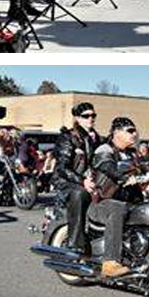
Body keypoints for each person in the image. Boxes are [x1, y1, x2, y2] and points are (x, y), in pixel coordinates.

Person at [89, 117, 139, 277]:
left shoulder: (131, 154)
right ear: (117, 132)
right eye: (130, 130)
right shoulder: (104, 149)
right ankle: (110, 263)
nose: (135, 134)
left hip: (126, 200)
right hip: (100, 202)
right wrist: (122, 177)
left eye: (135, 130)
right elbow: (108, 167)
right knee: (117, 209)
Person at [52, 102, 101, 255]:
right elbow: (62, 168)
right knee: (80, 194)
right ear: (77, 118)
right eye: (86, 116)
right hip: (68, 183)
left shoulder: (96, 138)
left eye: (93, 115)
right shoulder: (68, 137)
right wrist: (82, 181)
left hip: (90, 181)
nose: (90, 119)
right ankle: (75, 245)